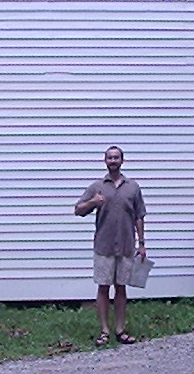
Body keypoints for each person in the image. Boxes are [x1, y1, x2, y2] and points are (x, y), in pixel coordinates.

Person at [74, 145, 147, 346]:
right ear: (105, 161)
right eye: (110, 158)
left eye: (116, 157)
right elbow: (78, 210)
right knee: (103, 287)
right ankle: (104, 330)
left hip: (126, 245)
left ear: (122, 161)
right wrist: (93, 202)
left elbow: (139, 216)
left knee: (121, 288)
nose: (113, 161)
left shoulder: (133, 187)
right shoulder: (97, 187)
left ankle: (120, 330)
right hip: (104, 246)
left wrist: (141, 244)